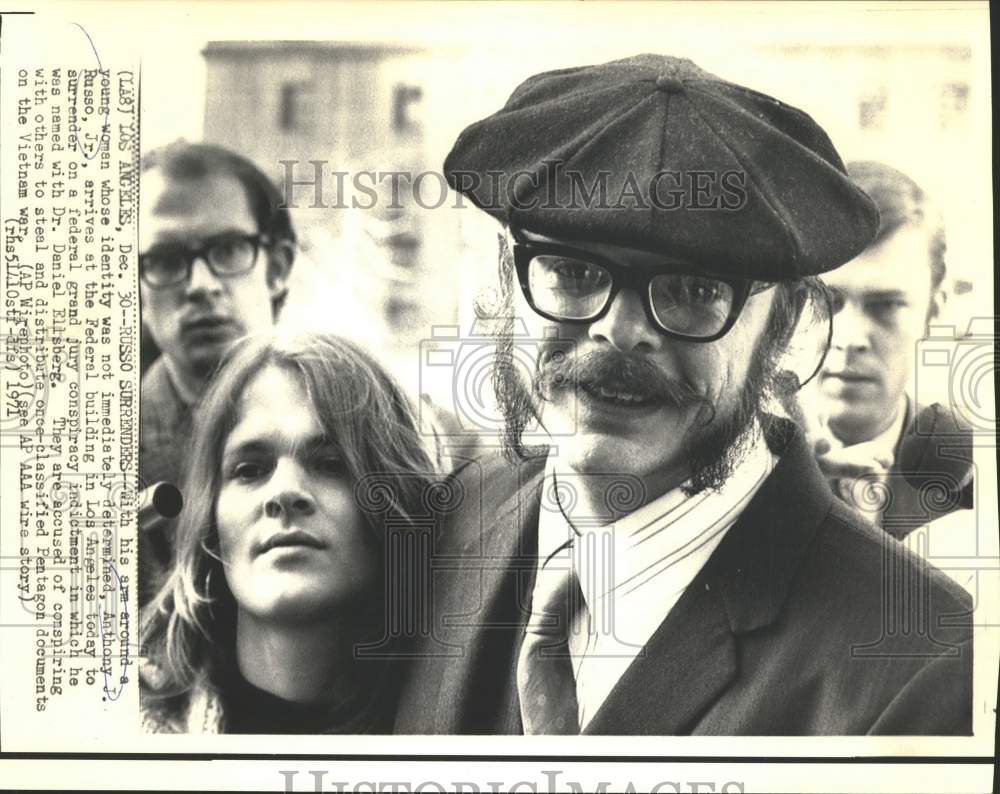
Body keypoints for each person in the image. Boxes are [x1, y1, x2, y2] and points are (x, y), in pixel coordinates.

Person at [394, 55, 973, 735]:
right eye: (573, 270)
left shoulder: (924, 662)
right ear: (507, 275)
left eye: (692, 290)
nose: (619, 330)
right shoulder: (444, 526)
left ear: (782, 323)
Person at [140, 332, 439, 733]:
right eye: (250, 470)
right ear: (209, 522)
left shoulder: (469, 719)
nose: (283, 492)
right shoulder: (120, 731)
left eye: (331, 463)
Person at [137, 142, 296, 604]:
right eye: (165, 260)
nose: (200, 285)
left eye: (227, 249)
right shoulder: (88, 461)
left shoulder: (359, 424)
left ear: (278, 267)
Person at [802, 161, 973, 538]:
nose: (850, 337)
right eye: (829, 302)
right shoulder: (734, 460)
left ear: (934, 309)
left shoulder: (973, 465)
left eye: (886, 306)